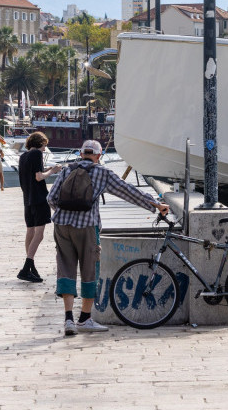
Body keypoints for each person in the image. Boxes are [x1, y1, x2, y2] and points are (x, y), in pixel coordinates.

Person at [47, 139, 168, 336]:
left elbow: (51, 198)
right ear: (98, 156)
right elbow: (128, 192)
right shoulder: (102, 172)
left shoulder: (67, 170)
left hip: (61, 226)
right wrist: (155, 205)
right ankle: (85, 319)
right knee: (89, 271)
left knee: (65, 269)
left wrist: (65, 214)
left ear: (81, 153)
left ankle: (68, 319)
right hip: (87, 227)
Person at [16, 131, 60, 283]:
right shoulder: (37, 155)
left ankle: (31, 266)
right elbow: (39, 176)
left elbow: (30, 175)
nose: (44, 149)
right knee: (39, 234)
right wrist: (52, 171)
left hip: (27, 199)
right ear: (40, 143)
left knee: (30, 232)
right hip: (39, 198)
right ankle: (26, 266)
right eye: (44, 145)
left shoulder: (23, 157)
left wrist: (45, 169)